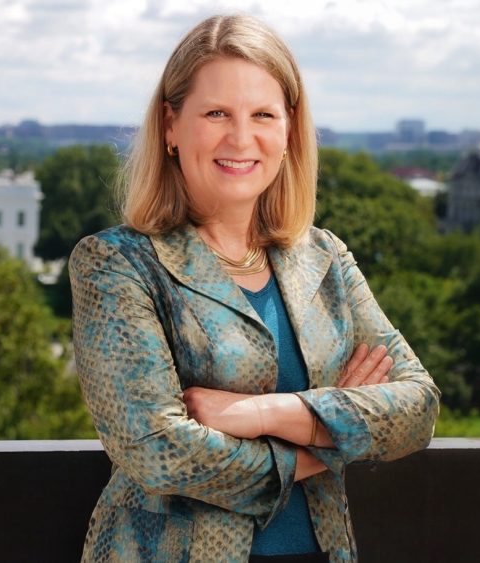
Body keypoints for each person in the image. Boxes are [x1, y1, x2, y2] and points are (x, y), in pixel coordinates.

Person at [68, 14, 440, 563]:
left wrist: (264, 413)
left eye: (263, 114)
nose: (240, 138)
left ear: (289, 130)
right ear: (171, 126)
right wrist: (331, 441)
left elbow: (417, 406)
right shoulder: (115, 264)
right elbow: (159, 452)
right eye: (216, 112)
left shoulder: (324, 257)